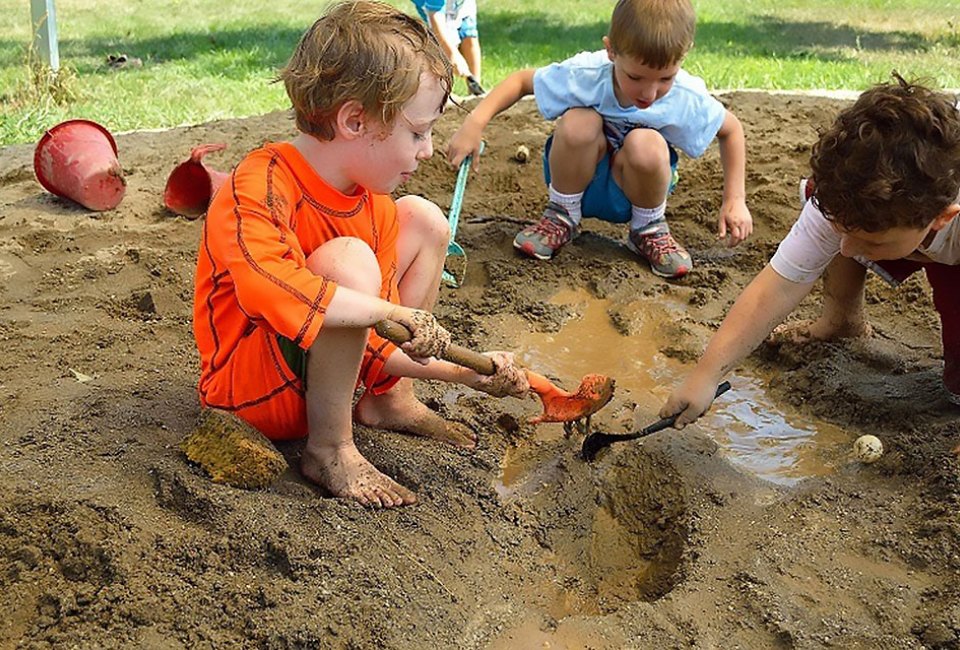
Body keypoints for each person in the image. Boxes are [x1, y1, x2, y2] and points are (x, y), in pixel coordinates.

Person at [193, 1, 529, 509]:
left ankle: (387, 399)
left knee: (425, 219)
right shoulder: (257, 185)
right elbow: (272, 289)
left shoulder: (371, 202)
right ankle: (329, 448)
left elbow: (372, 343)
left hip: (325, 379)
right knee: (351, 262)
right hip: (254, 395)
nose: (428, 150)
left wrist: (469, 374)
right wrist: (391, 312)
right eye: (417, 132)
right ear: (354, 119)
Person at [661, 75, 960, 429]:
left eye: (871, 241)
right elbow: (779, 286)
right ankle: (841, 322)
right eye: (840, 230)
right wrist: (706, 375)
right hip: (911, 228)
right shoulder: (845, 202)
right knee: (839, 230)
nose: (847, 249)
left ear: (942, 218)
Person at [446, 0, 752, 279]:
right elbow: (522, 81)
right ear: (611, 51)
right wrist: (474, 125)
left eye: (665, 79)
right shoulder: (587, 73)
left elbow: (731, 130)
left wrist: (735, 200)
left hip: (635, 191)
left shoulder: (685, 95)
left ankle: (648, 229)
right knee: (579, 121)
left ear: (683, 57)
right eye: (635, 77)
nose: (649, 93)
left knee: (646, 142)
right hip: (577, 179)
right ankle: (561, 217)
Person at [411, 0, 483, 94]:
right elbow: (435, 17)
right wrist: (452, 54)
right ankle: (439, 95)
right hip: (433, 8)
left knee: (469, 33)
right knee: (444, 46)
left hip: (459, 3)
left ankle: (476, 91)